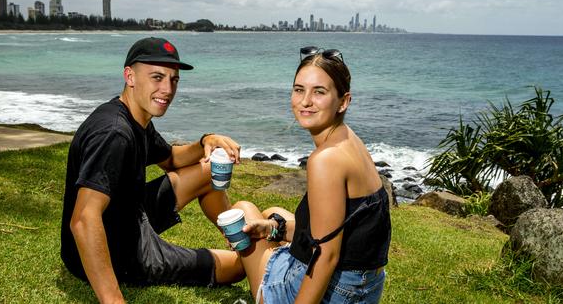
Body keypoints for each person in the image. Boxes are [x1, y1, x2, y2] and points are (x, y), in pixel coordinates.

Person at [60, 37, 245, 303]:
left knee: (206, 171)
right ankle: (246, 253)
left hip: (131, 213)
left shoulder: (136, 116)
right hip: (119, 250)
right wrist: (114, 299)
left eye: (174, 80)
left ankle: (237, 236)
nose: (167, 89)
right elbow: (84, 219)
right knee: (237, 267)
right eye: (157, 77)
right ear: (130, 76)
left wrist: (206, 141)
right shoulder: (114, 133)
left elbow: (171, 159)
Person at [234, 46, 392, 303]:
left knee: (242, 209)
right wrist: (272, 231)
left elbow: (326, 256)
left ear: (343, 101)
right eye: (299, 90)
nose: (305, 101)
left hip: (336, 289)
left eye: (319, 92)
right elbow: (340, 228)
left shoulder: (325, 160)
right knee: (273, 215)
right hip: (364, 284)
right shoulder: (350, 140)